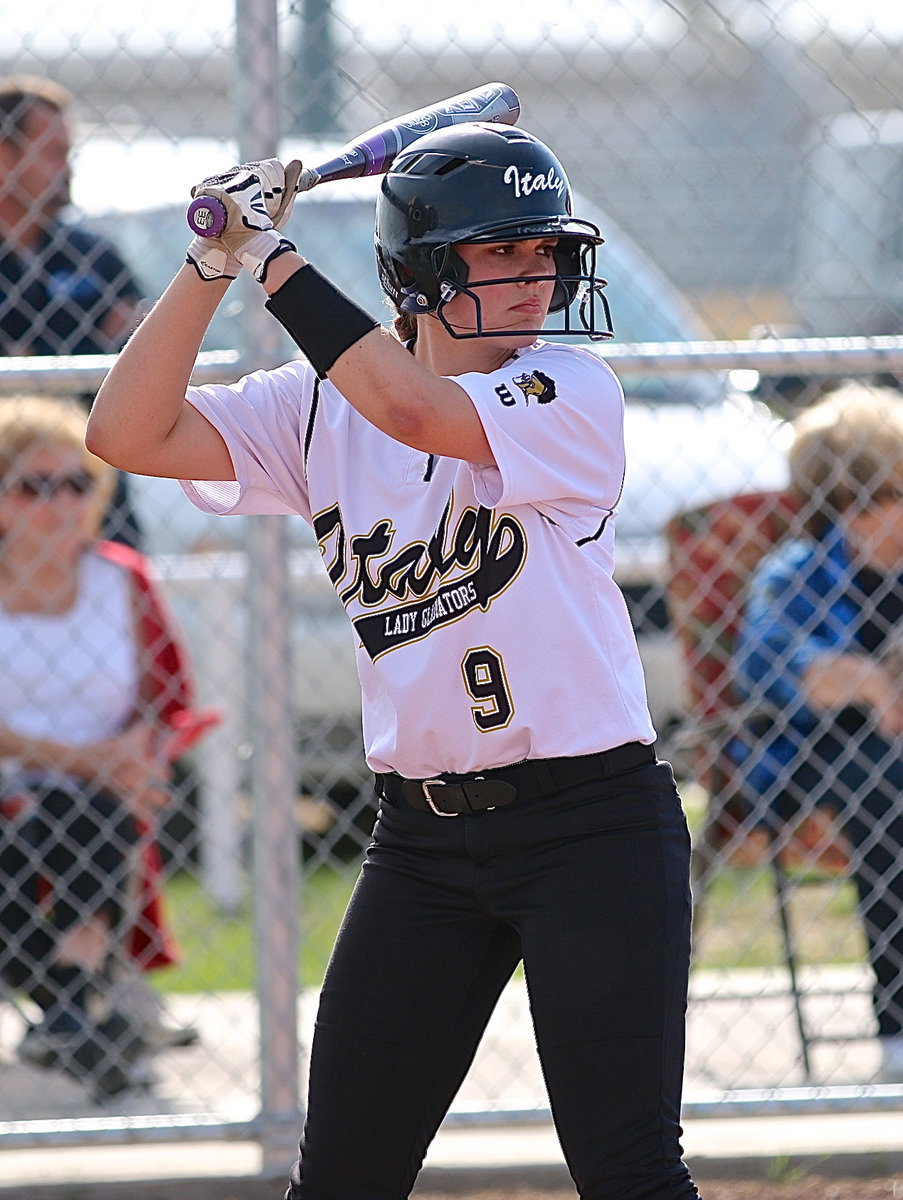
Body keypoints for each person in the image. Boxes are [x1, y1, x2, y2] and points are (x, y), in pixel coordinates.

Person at [87, 125, 703, 1197]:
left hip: (590, 830)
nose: (535, 276)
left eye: (544, 252)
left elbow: (416, 409)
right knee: (343, 1180)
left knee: (629, 1172)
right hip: (421, 844)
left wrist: (275, 257)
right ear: (420, 274)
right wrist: (209, 262)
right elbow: (127, 434)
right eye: (500, 254)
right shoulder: (314, 404)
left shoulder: (572, 388)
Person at [0, 394, 208, 1099]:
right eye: (34, 485)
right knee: (57, 816)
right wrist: (87, 762)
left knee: (90, 817)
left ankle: (64, 1012)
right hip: (11, 796)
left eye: (77, 483)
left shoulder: (120, 577)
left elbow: (170, 701)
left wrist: (142, 760)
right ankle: (82, 1009)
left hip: (105, 798)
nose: (59, 502)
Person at [732, 383, 903, 1084]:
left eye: (888, 497)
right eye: (853, 506)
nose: (873, 521)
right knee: (877, 777)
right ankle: (896, 1022)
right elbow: (769, 666)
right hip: (814, 759)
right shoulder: (796, 575)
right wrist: (867, 682)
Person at [0, 74, 144, 547]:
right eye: (51, 152)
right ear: (5, 158)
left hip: (92, 496)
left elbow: (139, 353)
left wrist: (35, 358)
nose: (67, 167)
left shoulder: (91, 255)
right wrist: (87, 348)